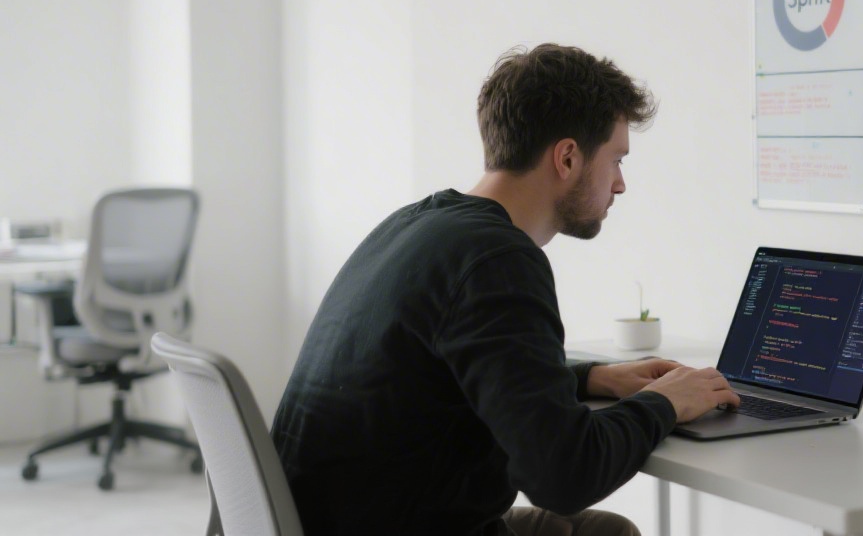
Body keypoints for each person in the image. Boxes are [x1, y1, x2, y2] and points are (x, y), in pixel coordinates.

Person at [271, 43, 740, 536]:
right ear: (567, 157)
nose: (620, 184)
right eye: (617, 159)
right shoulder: (498, 260)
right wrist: (665, 402)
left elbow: (448, 368)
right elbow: (564, 475)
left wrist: (590, 377)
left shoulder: (418, 224)